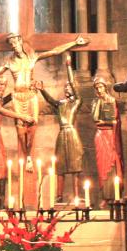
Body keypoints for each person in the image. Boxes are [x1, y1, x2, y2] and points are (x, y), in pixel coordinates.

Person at [0, 32, 88, 170]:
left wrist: (74, 43)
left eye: (16, 42)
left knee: (32, 125)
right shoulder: (10, 62)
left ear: (20, 41)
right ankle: (25, 155)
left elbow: (54, 51)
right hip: (18, 97)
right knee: (20, 131)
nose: (14, 46)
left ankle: (29, 157)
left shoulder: (32, 57)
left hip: (31, 95)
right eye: (11, 44)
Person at [0, 76, 33, 204]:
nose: (2, 88)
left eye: (4, 86)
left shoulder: (0, 99)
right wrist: (22, 116)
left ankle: (1, 202)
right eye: (0, 85)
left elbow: (13, 96)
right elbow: (2, 111)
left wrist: (24, 89)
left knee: (2, 168)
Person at [38, 53, 83, 202]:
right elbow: (51, 101)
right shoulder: (61, 104)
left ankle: (77, 195)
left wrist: (69, 67)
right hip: (62, 134)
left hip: (72, 134)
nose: (67, 88)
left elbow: (74, 85)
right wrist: (42, 90)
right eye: (65, 87)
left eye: (69, 87)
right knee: (60, 166)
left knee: (76, 165)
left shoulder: (75, 103)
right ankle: (59, 196)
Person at [91, 75, 124, 196]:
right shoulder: (95, 102)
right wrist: (100, 101)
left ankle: (113, 194)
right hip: (100, 135)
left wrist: (104, 122)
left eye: (101, 87)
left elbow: (114, 121)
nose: (99, 90)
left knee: (111, 162)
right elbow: (95, 118)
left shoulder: (111, 100)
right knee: (101, 165)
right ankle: (105, 194)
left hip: (109, 134)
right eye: (97, 87)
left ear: (105, 87)